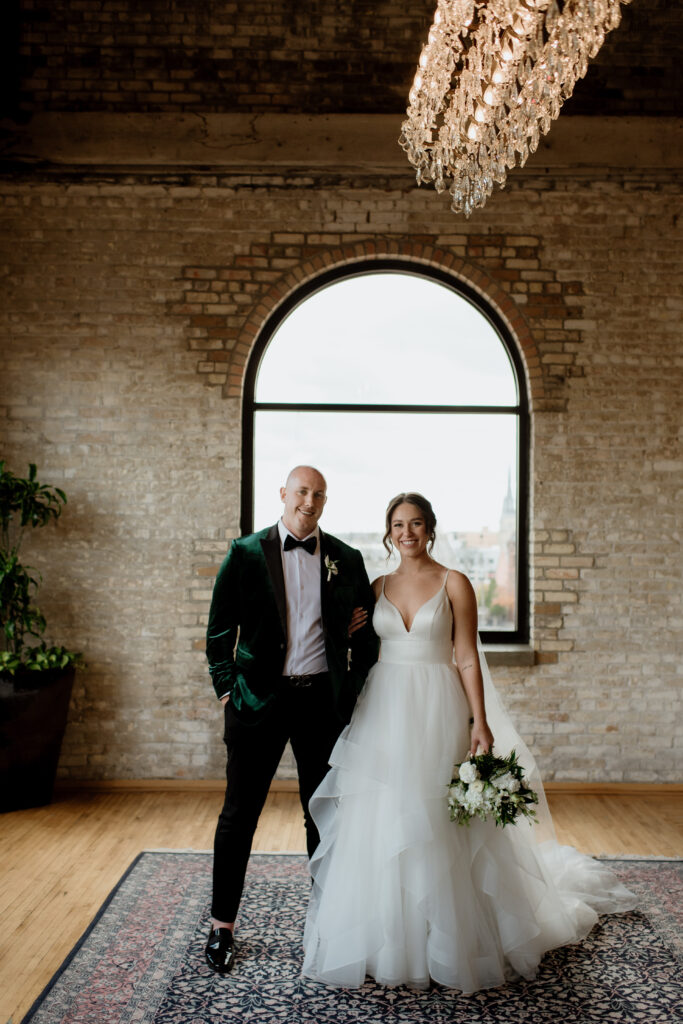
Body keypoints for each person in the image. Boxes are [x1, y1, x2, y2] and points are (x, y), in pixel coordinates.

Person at [302, 492, 636, 992]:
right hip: (385, 706)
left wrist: (480, 721)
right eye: (398, 524)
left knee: (437, 813)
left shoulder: (454, 582)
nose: (407, 532)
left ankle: (452, 937)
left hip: (438, 704)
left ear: (430, 528)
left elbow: (464, 657)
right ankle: (388, 939)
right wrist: (353, 629)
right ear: (388, 531)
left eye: (416, 523)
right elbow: (360, 648)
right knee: (384, 812)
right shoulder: (376, 586)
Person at [204, 465, 379, 973]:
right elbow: (219, 630)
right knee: (239, 816)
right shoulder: (244, 554)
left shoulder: (347, 559)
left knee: (322, 814)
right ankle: (222, 927)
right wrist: (225, 691)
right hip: (256, 703)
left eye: (318, 494)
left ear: (326, 500)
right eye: (301, 491)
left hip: (319, 704)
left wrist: (350, 694)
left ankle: (327, 922)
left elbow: (366, 638)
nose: (309, 500)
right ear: (283, 494)